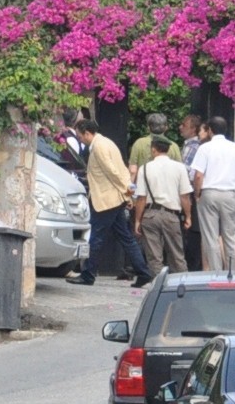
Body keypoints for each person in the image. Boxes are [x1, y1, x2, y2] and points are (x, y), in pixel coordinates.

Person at [67, 119, 154, 288]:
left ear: (87, 133)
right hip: (115, 199)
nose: (79, 139)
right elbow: (121, 169)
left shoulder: (99, 147)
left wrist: (128, 192)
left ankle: (88, 274)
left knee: (96, 238)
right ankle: (143, 272)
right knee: (126, 237)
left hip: (106, 200)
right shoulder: (107, 143)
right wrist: (127, 195)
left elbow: (113, 172)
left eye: (79, 136)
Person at [190, 116, 235, 271]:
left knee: (211, 236)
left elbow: (198, 175)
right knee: (232, 236)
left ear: (210, 130)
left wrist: (197, 193)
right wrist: (228, 175)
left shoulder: (205, 148)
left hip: (209, 193)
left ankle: (216, 273)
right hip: (229, 193)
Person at [134, 135, 193, 274]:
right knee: (177, 254)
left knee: (154, 256)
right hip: (171, 214)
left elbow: (141, 198)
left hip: (150, 214)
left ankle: (157, 284)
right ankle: (181, 283)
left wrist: (137, 220)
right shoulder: (179, 168)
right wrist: (188, 216)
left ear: (154, 149)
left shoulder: (145, 168)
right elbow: (184, 196)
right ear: (168, 150)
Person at [127, 112, 183, 181]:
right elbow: (179, 169)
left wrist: (131, 187)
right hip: (166, 186)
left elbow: (133, 170)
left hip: (143, 186)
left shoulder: (139, 143)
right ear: (166, 128)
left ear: (148, 128)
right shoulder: (173, 146)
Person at [179, 114, 203, 271]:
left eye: (184, 125)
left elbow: (188, 174)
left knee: (193, 231)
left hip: (191, 194)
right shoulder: (190, 145)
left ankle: (193, 267)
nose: (180, 127)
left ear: (193, 129)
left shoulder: (192, 147)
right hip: (191, 193)